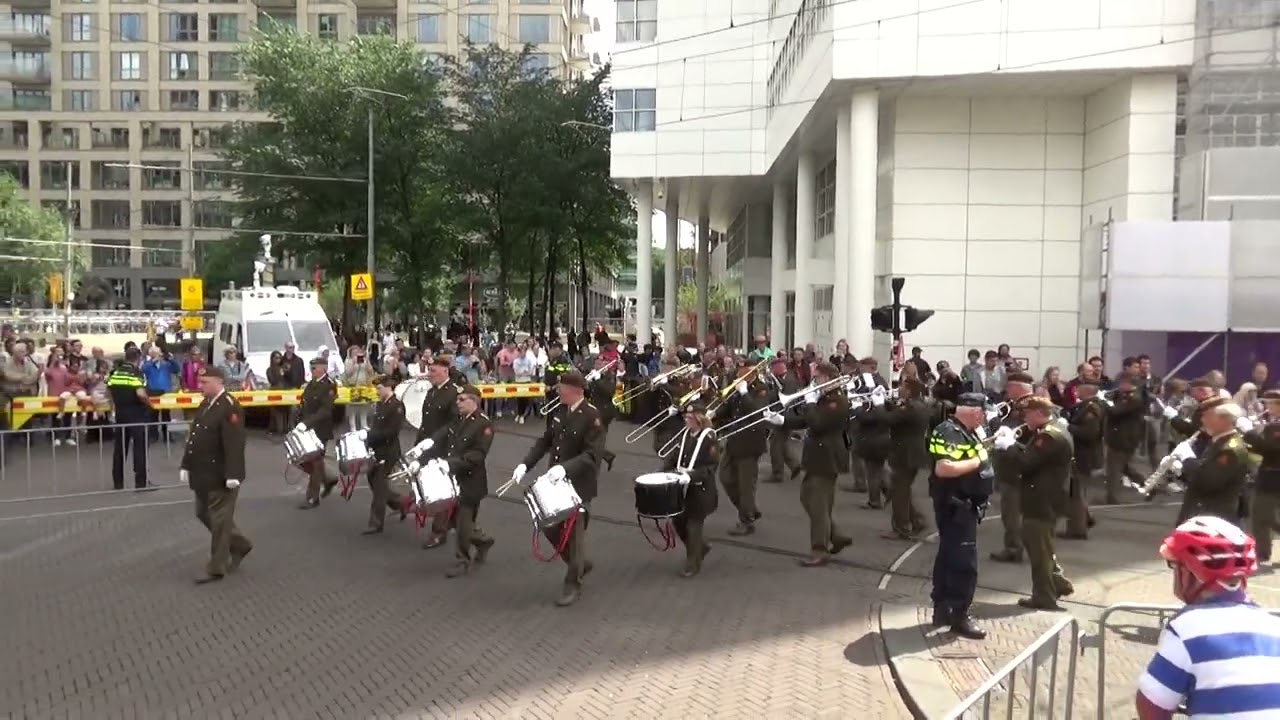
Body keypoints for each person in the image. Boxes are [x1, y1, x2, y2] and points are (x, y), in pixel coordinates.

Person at [1136, 516, 1280, 719]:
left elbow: (1151, 703)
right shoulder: (1273, 626)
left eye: (1175, 566)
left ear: (1190, 572)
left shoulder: (1187, 628)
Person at [510, 370, 605, 607]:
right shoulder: (561, 410)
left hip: (577, 485)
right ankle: (579, 564)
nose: (557, 390)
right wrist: (525, 464)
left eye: (561, 387)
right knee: (550, 527)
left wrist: (565, 468)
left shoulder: (592, 416)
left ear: (575, 390)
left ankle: (572, 584)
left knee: (574, 537)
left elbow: (592, 455)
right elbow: (545, 441)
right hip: (556, 483)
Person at [763, 361, 852, 567]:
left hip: (826, 458)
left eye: (817, 377)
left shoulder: (837, 401)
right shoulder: (825, 398)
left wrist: (811, 403)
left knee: (818, 505)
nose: (814, 381)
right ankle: (836, 535)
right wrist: (782, 421)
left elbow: (817, 423)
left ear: (827, 378)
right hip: (816, 457)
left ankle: (819, 550)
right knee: (808, 498)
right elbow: (806, 420)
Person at [992, 396, 1076, 610]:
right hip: (1046, 498)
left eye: (1027, 414)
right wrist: (1014, 444)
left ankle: (1044, 596)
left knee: (1039, 551)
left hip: (1042, 500)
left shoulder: (1049, 436)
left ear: (1039, 413)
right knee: (1039, 545)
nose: (1025, 418)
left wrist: (1010, 446)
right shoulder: (1050, 430)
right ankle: (1057, 583)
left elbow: (1026, 462)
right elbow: (1035, 457)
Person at [926, 392, 995, 639]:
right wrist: (979, 461)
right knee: (964, 563)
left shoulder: (967, 431)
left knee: (948, 555)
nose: (985, 417)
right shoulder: (950, 432)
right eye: (983, 412)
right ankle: (960, 614)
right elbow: (944, 468)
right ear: (975, 412)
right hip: (956, 505)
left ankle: (943, 608)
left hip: (965, 503)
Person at [179, 367, 252, 585]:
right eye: (200, 381)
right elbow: (194, 436)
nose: (200, 385)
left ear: (219, 382)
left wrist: (233, 473)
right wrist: (186, 464)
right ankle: (240, 544)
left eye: (205, 382)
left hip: (221, 474)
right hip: (202, 472)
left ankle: (216, 568)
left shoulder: (229, 407)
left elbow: (235, 443)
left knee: (220, 522)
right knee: (202, 513)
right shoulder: (206, 404)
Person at [420, 386, 496, 578]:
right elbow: (444, 433)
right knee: (455, 521)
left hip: (471, 482)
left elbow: (478, 454)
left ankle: (462, 560)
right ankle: (483, 541)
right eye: (457, 399)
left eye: (462, 399)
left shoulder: (483, 424)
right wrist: (428, 443)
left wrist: (451, 463)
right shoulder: (459, 419)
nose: (457, 402)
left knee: (462, 524)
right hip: (453, 480)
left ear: (474, 401)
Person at [660, 401, 720, 576]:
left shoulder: (709, 438)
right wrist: (661, 472)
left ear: (699, 419)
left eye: (690, 418)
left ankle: (692, 564)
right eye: (686, 417)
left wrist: (691, 476)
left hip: (700, 490)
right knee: (678, 522)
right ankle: (701, 547)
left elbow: (710, 467)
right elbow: (675, 456)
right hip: (682, 487)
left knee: (694, 526)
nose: (686, 420)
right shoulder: (686, 434)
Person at [1170, 398, 1251, 525]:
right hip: (1203, 514)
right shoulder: (1218, 441)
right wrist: (1180, 471)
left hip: (1213, 518)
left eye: (1207, 416)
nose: (1202, 420)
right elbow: (1202, 473)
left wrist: (1187, 459)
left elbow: (1208, 482)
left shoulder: (1230, 449)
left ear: (1224, 419)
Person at [413, 358, 463, 549]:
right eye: (429, 370)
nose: (430, 374)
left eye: (433, 371)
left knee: (439, 490)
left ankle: (439, 532)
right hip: (429, 446)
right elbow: (426, 422)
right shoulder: (432, 391)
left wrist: (434, 439)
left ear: (445, 371)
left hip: (444, 448)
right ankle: (455, 521)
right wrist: (419, 445)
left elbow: (454, 423)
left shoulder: (453, 393)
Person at [715, 363, 769, 536]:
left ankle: (746, 520)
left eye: (742, 375)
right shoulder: (737, 389)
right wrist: (713, 414)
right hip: (734, 441)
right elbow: (729, 408)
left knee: (746, 485)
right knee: (725, 476)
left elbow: (756, 412)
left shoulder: (761, 389)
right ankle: (750, 509)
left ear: (751, 375)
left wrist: (744, 393)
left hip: (749, 444)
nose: (738, 377)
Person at [877, 377, 931, 540]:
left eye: (903, 386)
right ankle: (918, 521)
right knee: (902, 490)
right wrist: (888, 403)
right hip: (912, 453)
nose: (899, 388)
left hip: (905, 454)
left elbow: (889, 419)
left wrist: (879, 405)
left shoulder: (911, 408)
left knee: (899, 492)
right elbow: (898, 414)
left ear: (909, 390)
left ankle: (901, 528)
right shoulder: (918, 405)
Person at [990, 372, 1036, 563]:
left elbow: (1007, 431)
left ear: (1017, 388)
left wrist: (994, 420)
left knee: (1011, 511)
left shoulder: (1024, 407)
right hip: (1021, 463)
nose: (1007, 390)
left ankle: (1013, 548)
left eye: (1010, 386)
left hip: (1015, 464)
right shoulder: (1026, 404)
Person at [360, 375, 406, 535]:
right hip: (377, 450)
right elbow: (377, 425)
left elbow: (392, 432)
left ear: (389, 387)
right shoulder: (381, 404)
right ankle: (401, 504)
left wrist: (371, 436)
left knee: (379, 486)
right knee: (373, 480)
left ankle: (375, 523)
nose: (377, 391)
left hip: (388, 451)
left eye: (379, 388)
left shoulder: (396, 406)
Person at [1063, 379, 1104, 538]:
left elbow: (1089, 433)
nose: (1076, 391)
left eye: (1078, 388)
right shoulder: (1084, 406)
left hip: (1084, 455)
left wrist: (1068, 427)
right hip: (1080, 454)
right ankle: (1085, 519)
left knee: (1078, 494)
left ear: (1086, 390)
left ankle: (1078, 529)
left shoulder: (1091, 408)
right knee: (1075, 491)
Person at [296, 356, 338, 509]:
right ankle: (328, 479)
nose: (312, 370)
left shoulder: (329, 386)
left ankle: (312, 498)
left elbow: (325, 411)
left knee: (315, 463)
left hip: (320, 430)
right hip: (307, 429)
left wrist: (307, 423)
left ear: (323, 368)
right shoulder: (311, 384)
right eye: (311, 368)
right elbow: (304, 404)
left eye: (314, 368)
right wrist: (298, 422)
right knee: (301, 460)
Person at [1243, 389, 1280, 563]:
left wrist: (1250, 433)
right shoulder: (1272, 424)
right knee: (1264, 516)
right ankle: (1262, 552)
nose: (1267, 407)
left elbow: (1270, 449)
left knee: (1261, 515)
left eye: (1271, 403)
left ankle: (1262, 553)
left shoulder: (1276, 426)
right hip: (1270, 475)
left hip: (1273, 476)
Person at [106, 348, 151, 491]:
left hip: (121, 413)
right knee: (139, 448)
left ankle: (118, 482)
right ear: (138, 358)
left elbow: (108, 391)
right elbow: (141, 394)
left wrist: (114, 407)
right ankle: (140, 482)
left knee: (120, 448)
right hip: (136, 414)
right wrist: (150, 405)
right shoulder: (136, 373)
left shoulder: (115, 372)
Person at [585, 355, 618, 470]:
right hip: (592, 411)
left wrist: (598, 380)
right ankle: (607, 456)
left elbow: (610, 392)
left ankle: (595, 464)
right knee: (589, 438)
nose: (597, 366)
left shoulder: (610, 376)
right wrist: (586, 384)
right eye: (596, 363)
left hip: (605, 412)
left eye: (600, 363)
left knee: (597, 438)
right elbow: (589, 393)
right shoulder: (593, 374)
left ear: (605, 364)